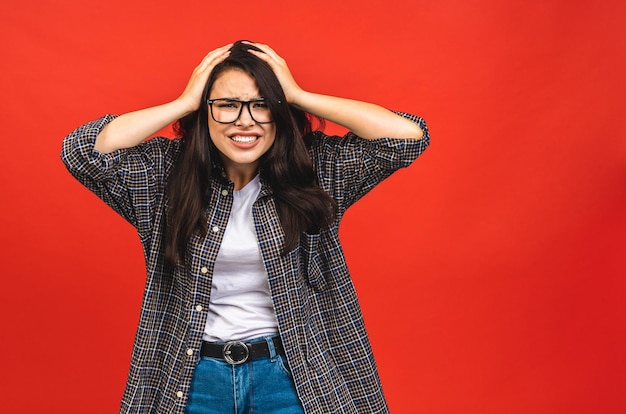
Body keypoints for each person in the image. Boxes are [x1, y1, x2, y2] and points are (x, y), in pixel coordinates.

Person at [61, 40, 429, 414]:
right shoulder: (165, 175)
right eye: (227, 105)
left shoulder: (314, 170)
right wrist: (184, 102)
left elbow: (407, 138)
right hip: (192, 378)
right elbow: (81, 151)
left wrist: (297, 95)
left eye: (261, 105)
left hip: (290, 376)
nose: (245, 121)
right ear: (206, 112)